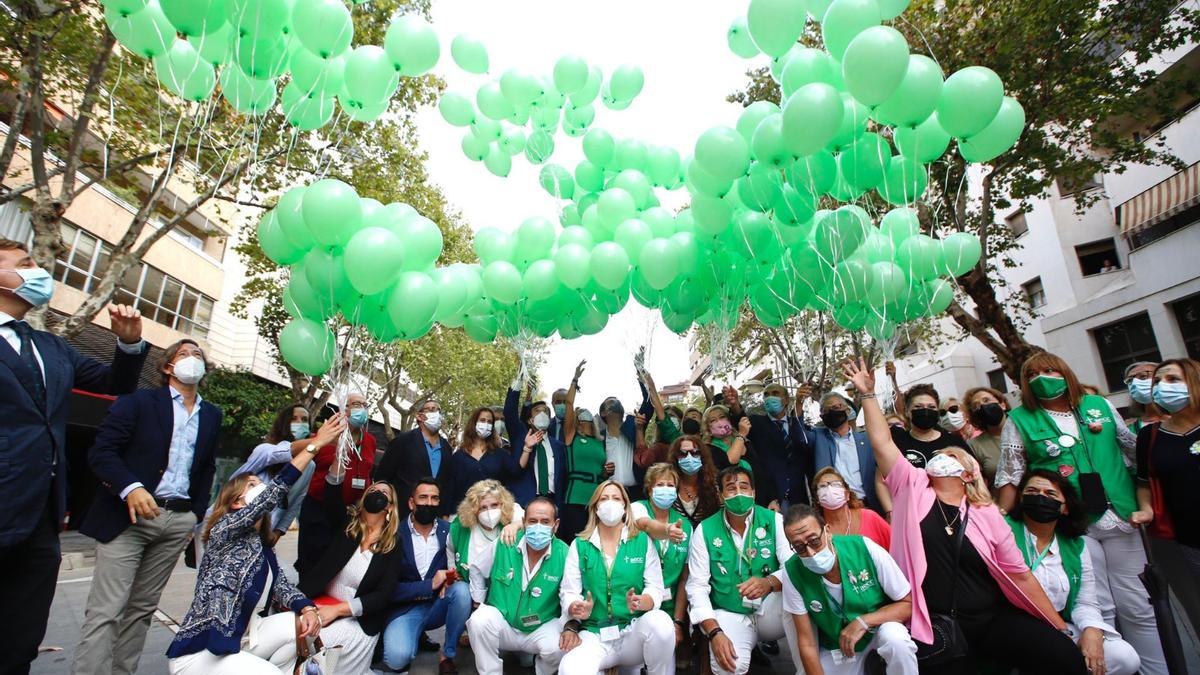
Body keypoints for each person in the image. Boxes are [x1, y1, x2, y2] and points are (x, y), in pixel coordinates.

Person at [843, 358, 1086, 675]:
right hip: (935, 623)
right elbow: (882, 443)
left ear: (970, 472)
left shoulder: (986, 513)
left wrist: (1059, 627)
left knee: (1063, 655)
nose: (942, 457)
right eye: (939, 456)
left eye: (952, 455)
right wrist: (868, 395)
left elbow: (1021, 575)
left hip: (992, 619)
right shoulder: (913, 488)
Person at [0, 238, 147, 674]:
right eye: (25, 264)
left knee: (20, 640)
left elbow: (113, 385)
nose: (38, 272)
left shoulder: (52, 346)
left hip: (42, 517)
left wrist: (128, 346)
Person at [996, 352, 1165, 675]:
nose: (1041, 377)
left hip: (1123, 517)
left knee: (1139, 607)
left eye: (1049, 370)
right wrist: (1000, 521)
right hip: (1073, 525)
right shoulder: (1020, 419)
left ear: (1065, 372)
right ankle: (1111, 666)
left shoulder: (1098, 406)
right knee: (1098, 607)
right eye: (1032, 374)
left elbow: (1132, 448)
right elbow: (1011, 473)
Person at [74, 340, 222, 675]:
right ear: (168, 366)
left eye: (197, 355)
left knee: (142, 609)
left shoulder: (212, 415)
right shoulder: (139, 402)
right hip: (128, 517)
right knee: (106, 611)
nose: (192, 359)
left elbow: (206, 468)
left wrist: (194, 515)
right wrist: (131, 488)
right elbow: (103, 452)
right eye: (183, 354)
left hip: (177, 520)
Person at [165, 413, 346, 674]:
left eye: (260, 483)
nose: (261, 487)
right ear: (236, 502)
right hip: (200, 654)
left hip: (241, 641)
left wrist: (307, 608)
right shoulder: (224, 530)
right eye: (252, 485)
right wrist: (316, 444)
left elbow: (282, 587)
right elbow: (272, 496)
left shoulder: (262, 546)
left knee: (299, 624)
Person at [1009, 470, 1141, 675]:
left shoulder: (1076, 545)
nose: (1040, 497)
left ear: (1065, 508)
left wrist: (1092, 629)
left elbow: (1085, 601)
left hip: (1062, 625)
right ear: (1021, 498)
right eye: (1032, 491)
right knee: (1060, 656)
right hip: (1015, 624)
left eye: (1050, 494)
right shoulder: (1004, 530)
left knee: (1123, 657)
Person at [781, 504, 917, 675]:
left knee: (897, 641)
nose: (810, 553)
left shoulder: (863, 547)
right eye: (799, 547)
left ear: (827, 531)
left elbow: (908, 604)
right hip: (839, 645)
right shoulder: (792, 572)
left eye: (814, 541)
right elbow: (807, 642)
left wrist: (863, 621)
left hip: (878, 629)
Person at [686, 465, 797, 675]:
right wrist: (715, 632)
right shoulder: (705, 530)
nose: (738, 493)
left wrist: (769, 583)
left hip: (772, 612)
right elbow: (697, 587)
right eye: (730, 488)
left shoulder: (774, 521)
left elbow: (793, 568)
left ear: (754, 493)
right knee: (729, 666)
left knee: (801, 598)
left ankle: (806, 669)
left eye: (744, 487)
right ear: (720, 496)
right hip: (729, 612)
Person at [558, 480, 676, 675]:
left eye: (616, 498)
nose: (610, 503)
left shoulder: (642, 541)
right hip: (595, 634)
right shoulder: (580, 545)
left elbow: (655, 588)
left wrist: (642, 601)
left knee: (661, 623)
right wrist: (577, 607)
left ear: (624, 506)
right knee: (570, 669)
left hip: (632, 632)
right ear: (595, 508)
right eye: (604, 499)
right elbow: (569, 592)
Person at [299, 480, 404, 675]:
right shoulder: (347, 527)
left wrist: (338, 610)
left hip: (356, 621)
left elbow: (383, 595)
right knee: (293, 634)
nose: (377, 493)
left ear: (390, 506)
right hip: (319, 604)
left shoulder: (393, 544)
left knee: (314, 639)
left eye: (384, 493)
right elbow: (331, 497)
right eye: (373, 490)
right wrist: (337, 460)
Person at [465, 496, 569, 675]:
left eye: (545, 522)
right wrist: (478, 602)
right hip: (503, 623)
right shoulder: (505, 542)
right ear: (523, 522)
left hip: (540, 626)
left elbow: (571, 593)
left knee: (560, 647)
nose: (538, 527)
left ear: (556, 525)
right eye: (533, 521)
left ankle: (542, 671)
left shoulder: (565, 554)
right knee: (478, 621)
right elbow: (476, 568)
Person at [380, 478, 471, 674]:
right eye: (423, 497)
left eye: (434, 498)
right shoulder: (392, 533)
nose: (429, 503)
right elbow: (385, 588)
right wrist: (429, 585)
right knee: (397, 659)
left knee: (463, 592)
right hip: (405, 609)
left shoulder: (450, 531)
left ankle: (447, 655)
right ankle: (414, 635)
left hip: (438, 604)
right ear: (411, 503)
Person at [1136, 358, 1200, 631]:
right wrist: (1146, 508)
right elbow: (1144, 482)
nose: (1163, 387)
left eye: (1173, 379)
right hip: (1189, 543)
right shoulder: (1150, 435)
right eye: (1158, 382)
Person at [227, 403, 341, 547]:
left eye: (304, 419)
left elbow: (294, 504)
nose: (300, 423)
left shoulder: (310, 466)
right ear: (283, 424)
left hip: (262, 540)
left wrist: (278, 533)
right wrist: (319, 441)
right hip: (234, 529)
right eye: (294, 419)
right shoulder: (264, 451)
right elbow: (285, 451)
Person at [298, 392, 376, 569]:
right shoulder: (329, 434)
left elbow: (368, 473)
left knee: (338, 564)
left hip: (351, 513)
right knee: (312, 563)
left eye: (365, 405)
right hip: (319, 510)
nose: (362, 409)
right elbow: (300, 455)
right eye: (357, 404)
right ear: (344, 409)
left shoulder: (370, 440)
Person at [630, 463, 694, 658]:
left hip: (669, 607)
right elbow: (645, 525)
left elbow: (684, 578)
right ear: (649, 489)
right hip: (635, 605)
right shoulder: (637, 508)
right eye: (660, 484)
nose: (665, 489)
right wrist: (666, 530)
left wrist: (678, 623)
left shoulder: (686, 526)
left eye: (670, 485)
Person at [727, 382, 815, 508]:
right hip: (771, 497)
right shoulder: (757, 423)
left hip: (799, 495)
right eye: (766, 395)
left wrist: (799, 403)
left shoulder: (796, 425)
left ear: (786, 400)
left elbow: (801, 439)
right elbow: (740, 419)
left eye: (775, 393)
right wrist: (735, 404)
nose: (770, 397)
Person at [805, 393, 883, 514]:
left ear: (847, 411)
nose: (832, 412)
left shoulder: (866, 439)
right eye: (826, 410)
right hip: (835, 508)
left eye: (836, 407)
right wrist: (799, 404)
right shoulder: (818, 437)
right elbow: (799, 434)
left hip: (867, 506)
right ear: (821, 416)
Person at [374, 398, 451, 518]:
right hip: (403, 514)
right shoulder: (403, 441)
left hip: (433, 515)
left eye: (438, 411)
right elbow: (383, 476)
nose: (436, 413)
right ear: (419, 416)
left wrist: (444, 514)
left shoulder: (446, 447)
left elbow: (446, 484)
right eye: (431, 409)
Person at [504, 371, 567, 507]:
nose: (543, 413)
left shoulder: (559, 446)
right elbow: (509, 411)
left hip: (552, 503)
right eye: (538, 411)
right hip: (526, 501)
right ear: (530, 419)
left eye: (546, 411)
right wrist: (519, 378)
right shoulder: (520, 435)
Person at [562, 361, 610, 538]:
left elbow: (601, 471)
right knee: (575, 542)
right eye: (580, 411)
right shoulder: (571, 437)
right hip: (575, 497)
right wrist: (575, 380)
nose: (584, 412)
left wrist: (607, 472)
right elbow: (568, 404)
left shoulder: (600, 441)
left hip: (597, 499)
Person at [448, 480, 522, 590]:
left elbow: (531, 521)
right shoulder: (459, 526)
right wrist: (452, 572)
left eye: (494, 505)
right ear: (474, 509)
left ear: (502, 504)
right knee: (460, 592)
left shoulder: (512, 511)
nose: (489, 512)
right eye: (483, 507)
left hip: (502, 587)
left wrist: (516, 525)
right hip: (470, 586)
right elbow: (450, 548)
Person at [702, 403, 778, 508]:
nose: (719, 422)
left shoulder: (747, 443)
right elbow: (731, 461)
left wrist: (773, 499)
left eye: (722, 417)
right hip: (733, 506)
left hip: (761, 503)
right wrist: (741, 435)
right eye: (713, 420)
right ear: (708, 430)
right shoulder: (708, 450)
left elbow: (762, 472)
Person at [443, 407, 520, 511]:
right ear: (474, 423)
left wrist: (527, 448)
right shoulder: (459, 456)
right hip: (465, 514)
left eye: (489, 422)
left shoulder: (500, 454)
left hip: (492, 512)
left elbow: (516, 470)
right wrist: (445, 515)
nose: (486, 424)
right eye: (482, 420)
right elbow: (450, 488)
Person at [812, 467, 891, 550]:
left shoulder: (870, 517)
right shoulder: (816, 528)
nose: (829, 489)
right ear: (817, 498)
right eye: (823, 486)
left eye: (836, 484)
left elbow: (896, 545)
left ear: (847, 494)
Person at [891, 384, 958, 470]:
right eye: (918, 406)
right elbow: (881, 481)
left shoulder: (954, 442)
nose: (926, 411)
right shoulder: (897, 444)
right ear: (907, 411)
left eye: (931, 407)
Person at [962, 386, 1009, 494]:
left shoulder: (1024, 430)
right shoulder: (974, 445)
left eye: (986, 400)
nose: (983, 406)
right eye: (976, 406)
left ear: (1002, 404)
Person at [667, 435, 721, 527]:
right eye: (683, 453)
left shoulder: (715, 484)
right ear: (675, 457)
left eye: (695, 453)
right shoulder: (668, 484)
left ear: (702, 456)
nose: (689, 457)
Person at [1123, 360, 1161, 432]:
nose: (1135, 383)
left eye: (1143, 376)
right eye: (1130, 380)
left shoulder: (1184, 420)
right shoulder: (1128, 429)